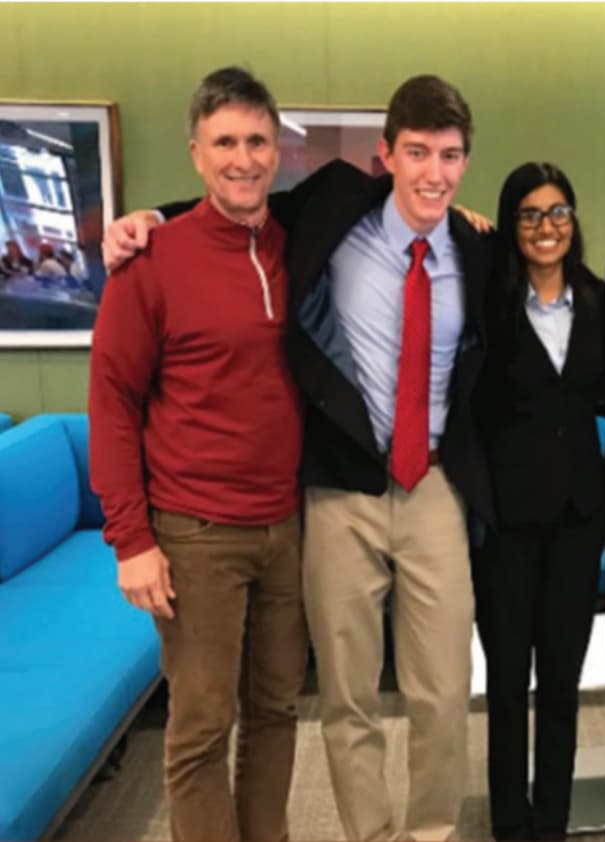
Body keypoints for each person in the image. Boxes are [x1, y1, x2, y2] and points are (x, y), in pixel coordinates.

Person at [102, 74, 494, 842]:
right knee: (338, 698)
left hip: (428, 487)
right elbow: (234, 208)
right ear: (385, 155)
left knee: (440, 692)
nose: (432, 172)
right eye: (416, 152)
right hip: (332, 493)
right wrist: (148, 216)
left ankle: (430, 833)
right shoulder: (333, 209)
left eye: (449, 156)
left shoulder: (475, 249)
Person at [89, 66, 307, 842]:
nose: (242, 158)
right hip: (195, 535)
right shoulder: (149, 261)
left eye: (256, 140)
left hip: (287, 527)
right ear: (196, 154)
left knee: (277, 711)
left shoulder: (295, 242)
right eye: (224, 142)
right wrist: (132, 540)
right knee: (202, 726)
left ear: (278, 151)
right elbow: (111, 402)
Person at [473, 161, 605, 840]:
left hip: (577, 521)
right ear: (510, 225)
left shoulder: (599, 300)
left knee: (561, 685)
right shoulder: (487, 303)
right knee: (506, 685)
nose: (546, 226)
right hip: (505, 524)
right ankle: (511, 824)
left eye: (559, 211)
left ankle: (552, 822)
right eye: (530, 214)